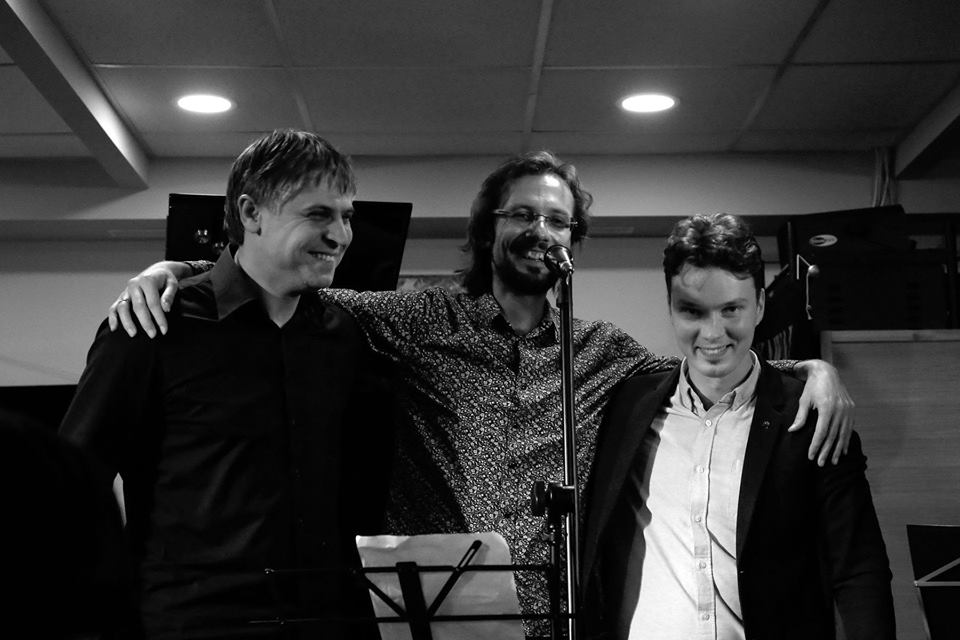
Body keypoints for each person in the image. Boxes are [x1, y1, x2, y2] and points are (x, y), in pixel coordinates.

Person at [106, 152, 854, 637]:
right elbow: (287, 284)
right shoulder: (416, 318)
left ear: (575, 238)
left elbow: (706, 361)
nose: (540, 229)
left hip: (553, 620)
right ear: (486, 227)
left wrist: (807, 372)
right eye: (522, 214)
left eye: (557, 219)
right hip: (428, 619)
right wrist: (178, 273)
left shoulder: (603, 352)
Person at [60, 129, 391, 639]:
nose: (341, 235)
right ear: (251, 213)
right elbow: (70, 485)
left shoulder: (343, 335)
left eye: (346, 216)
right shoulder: (154, 326)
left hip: (323, 621)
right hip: (191, 623)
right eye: (318, 214)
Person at [581, 213, 894, 640]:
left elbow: (859, 570)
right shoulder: (626, 407)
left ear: (760, 305)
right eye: (692, 311)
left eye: (731, 309)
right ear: (670, 308)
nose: (713, 333)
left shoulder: (810, 418)